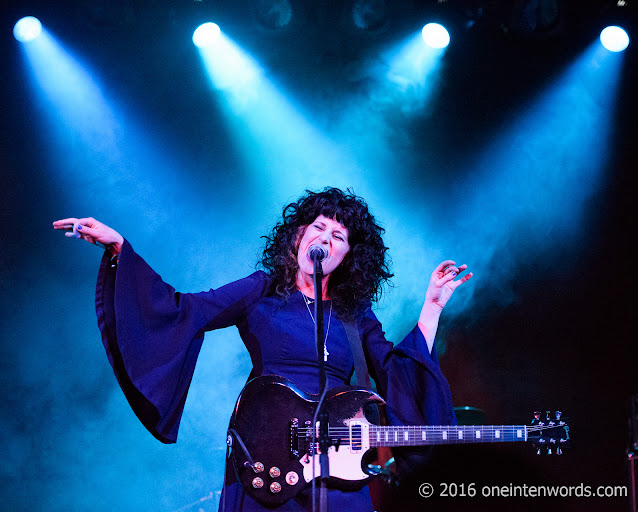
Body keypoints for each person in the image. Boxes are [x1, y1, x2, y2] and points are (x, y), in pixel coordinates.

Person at [53, 187, 472, 511]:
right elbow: (187, 309)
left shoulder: (355, 314)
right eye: (318, 228)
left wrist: (431, 309)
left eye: (338, 236)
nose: (325, 239)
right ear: (300, 236)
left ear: (348, 256)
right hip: (266, 454)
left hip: (335, 464)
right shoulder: (263, 289)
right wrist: (121, 250)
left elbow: (396, 371)